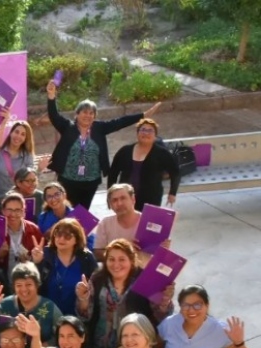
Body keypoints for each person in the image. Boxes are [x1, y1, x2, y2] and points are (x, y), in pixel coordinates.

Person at [46, 79, 160, 209]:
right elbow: (54, 116)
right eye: (84, 112)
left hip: (90, 181)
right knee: (67, 210)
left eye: (91, 113)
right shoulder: (67, 127)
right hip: (67, 180)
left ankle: (82, 229)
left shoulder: (99, 128)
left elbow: (120, 122)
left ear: (94, 116)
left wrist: (143, 115)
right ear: (77, 114)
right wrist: (51, 96)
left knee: (83, 212)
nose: (87, 116)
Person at [75, 238, 174, 348]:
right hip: (102, 347)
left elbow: (160, 316)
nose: (116, 265)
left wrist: (164, 300)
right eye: (111, 259)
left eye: (122, 259)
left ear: (132, 261)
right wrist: (83, 298)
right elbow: (85, 315)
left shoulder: (145, 280)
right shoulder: (98, 278)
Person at [0, 263, 63, 345]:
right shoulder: (4, 304)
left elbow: (64, 332)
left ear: (37, 285)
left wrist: (46, 345)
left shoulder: (49, 306)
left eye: (28, 284)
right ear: (13, 287)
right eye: (19, 285)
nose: (24, 289)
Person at [108, 118, 180, 211]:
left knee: (146, 224)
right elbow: (113, 173)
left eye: (150, 130)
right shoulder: (125, 151)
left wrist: (172, 193)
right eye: (143, 130)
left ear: (155, 135)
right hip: (125, 197)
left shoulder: (162, 153)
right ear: (137, 133)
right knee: (127, 223)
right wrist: (111, 195)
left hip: (151, 198)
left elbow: (175, 173)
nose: (146, 133)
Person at [32, 218, 98, 316]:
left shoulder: (87, 258)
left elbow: (96, 291)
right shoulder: (44, 254)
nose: (61, 239)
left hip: (75, 317)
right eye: (58, 234)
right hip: (46, 314)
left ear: (77, 239)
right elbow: (32, 284)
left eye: (67, 236)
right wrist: (37, 263)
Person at [0, 115, 45, 199]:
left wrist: (39, 169)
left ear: (25, 138)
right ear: (11, 133)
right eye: (16, 132)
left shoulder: (27, 155)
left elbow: (31, 177)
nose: (18, 136)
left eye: (23, 134)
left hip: (19, 200)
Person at [0, 193, 42, 281]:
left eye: (17, 210)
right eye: (9, 210)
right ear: (3, 211)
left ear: (23, 212)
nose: (13, 214)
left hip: (26, 281)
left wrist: (32, 259)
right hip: (3, 281)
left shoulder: (33, 229)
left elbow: (41, 257)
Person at [92, 184, 143, 262]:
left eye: (123, 198)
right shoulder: (105, 223)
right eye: (114, 200)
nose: (119, 203)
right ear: (110, 205)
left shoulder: (147, 222)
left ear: (133, 199)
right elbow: (97, 253)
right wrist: (122, 250)